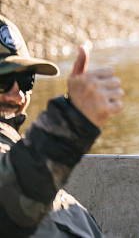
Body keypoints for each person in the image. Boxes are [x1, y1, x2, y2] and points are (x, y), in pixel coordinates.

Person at [0, 15, 124, 237]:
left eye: (27, 80)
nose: (17, 95)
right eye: (1, 82)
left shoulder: (15, 149)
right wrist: (70, 121)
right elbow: (10, 202)